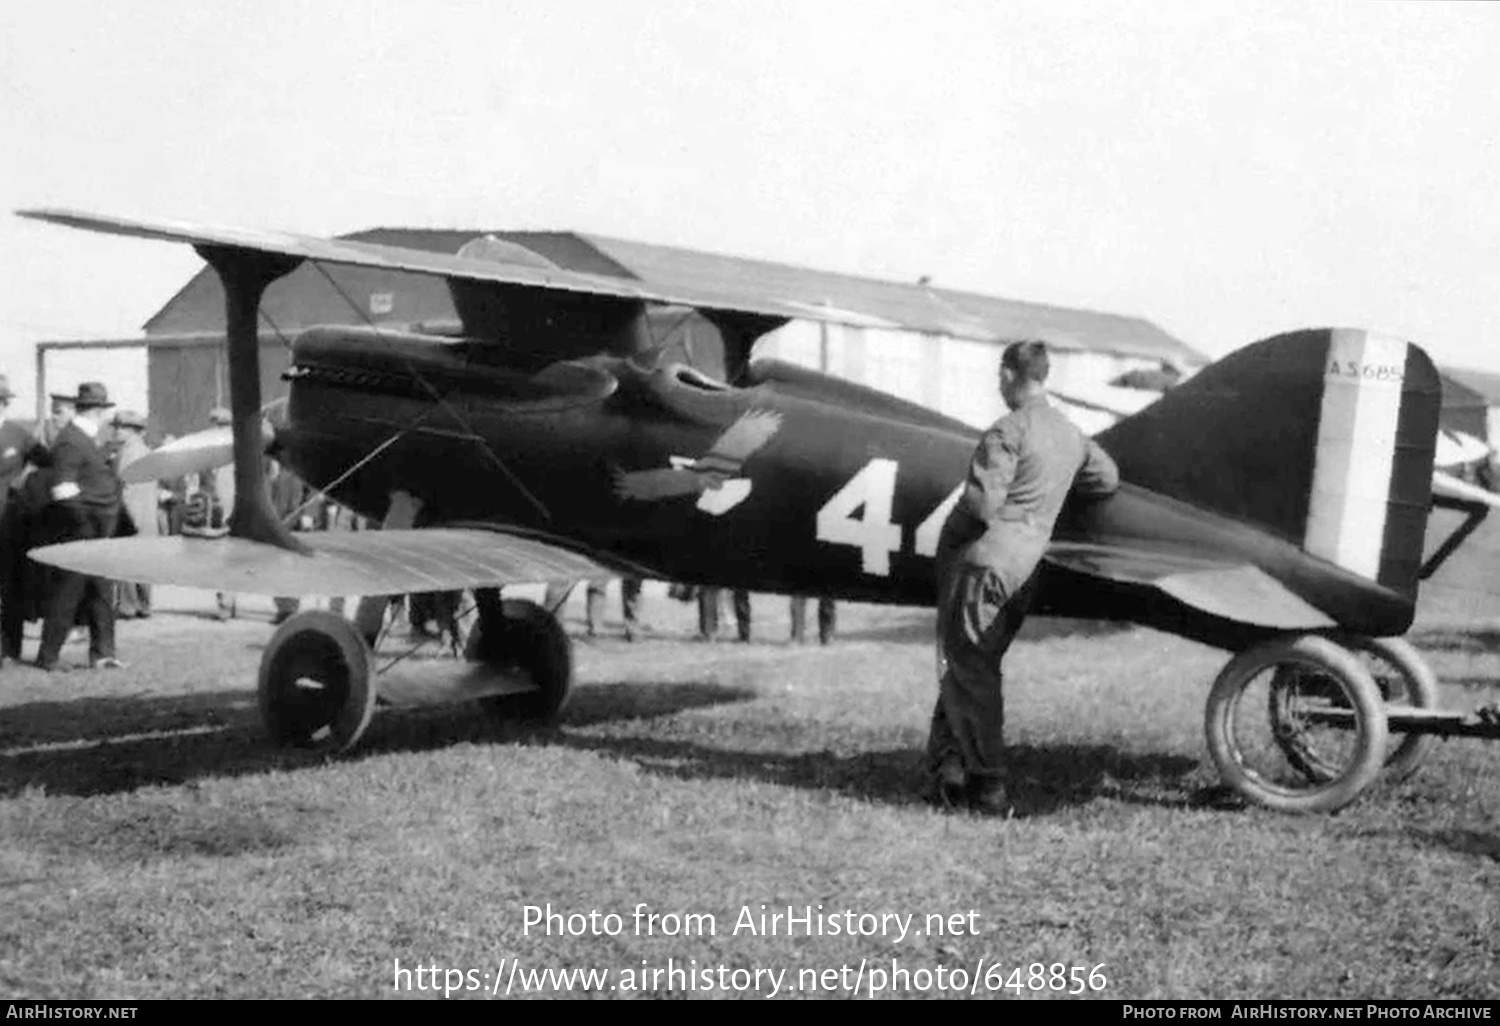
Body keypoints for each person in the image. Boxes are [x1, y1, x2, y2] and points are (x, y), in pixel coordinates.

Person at [927, 340, 1119, 815]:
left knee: (971, 670)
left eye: (1000, 375)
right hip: (1027, 569)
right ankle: (946, 769)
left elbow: (982, 507)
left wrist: (951, 543)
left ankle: (987, 786)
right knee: (970, 663)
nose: (998, 384)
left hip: (987, 563)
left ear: (1012, 374)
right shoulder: (1072, 435)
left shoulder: (1007, 430)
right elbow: (1107, 479)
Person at [35, 382, 127, 672]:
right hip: (83, 529)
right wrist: (86, 524)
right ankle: (48, 657)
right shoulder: (71, 440)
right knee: (69, 592)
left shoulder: (83, 439)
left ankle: (103, 654)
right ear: (98, 411)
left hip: (96, 527)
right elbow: (62, 489)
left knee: (101, 591)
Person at [0, 375, 45, 664]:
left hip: (10, 521)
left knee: (9, 585)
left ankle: (9, 649)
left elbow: (48, 462)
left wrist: (25, 479)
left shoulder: (18, 435)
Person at [110, 410, 156, 618]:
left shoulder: (127, 453)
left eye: (122, 428)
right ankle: (144, 605)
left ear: (133, 431)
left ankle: (127, 606)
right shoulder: (147, 451)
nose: (117, 431)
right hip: (147, 514)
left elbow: (123, 487)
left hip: (130, 513)